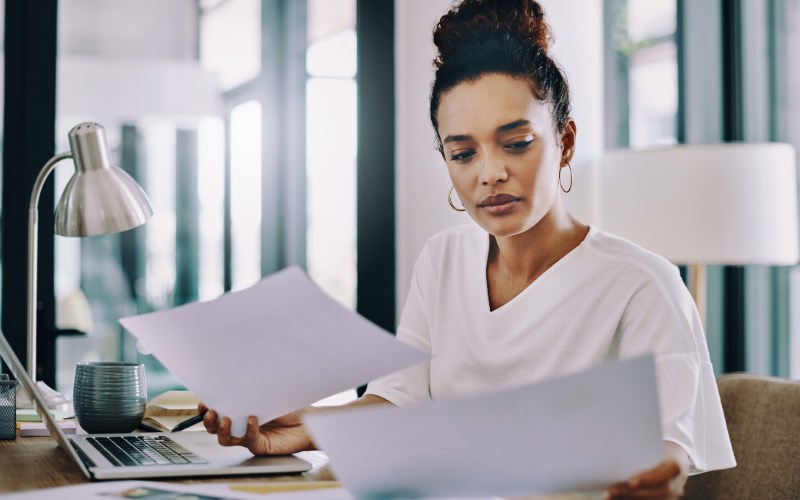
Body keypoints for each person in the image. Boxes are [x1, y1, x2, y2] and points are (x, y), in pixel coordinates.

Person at [202, 0, 736, 497]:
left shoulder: (642, 284)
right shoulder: (443, 259)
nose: (491, 173)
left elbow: (670, 448)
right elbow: (398, 403)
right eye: (463, 153)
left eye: (517, 143)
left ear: (565, 142)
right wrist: (297, 429)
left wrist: (660, 475)